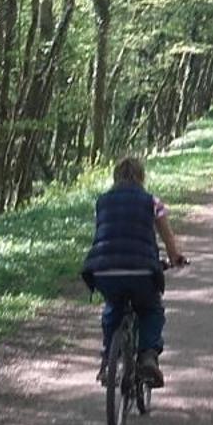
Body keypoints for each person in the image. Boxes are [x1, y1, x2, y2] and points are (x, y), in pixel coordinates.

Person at [81, 156, 188, 387]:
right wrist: (174, 257)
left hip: (103, 269)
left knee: (113, 308)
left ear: (115, 176)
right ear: (141, 177)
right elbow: (167, 235)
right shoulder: (152, 202)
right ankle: (148, 356)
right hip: (142, 270)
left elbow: (105, 233)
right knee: (151, 309)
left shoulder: (102, 201)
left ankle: (109, 360)